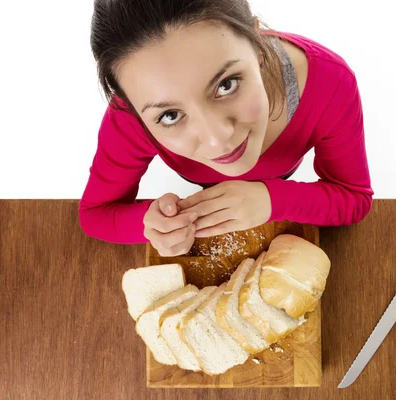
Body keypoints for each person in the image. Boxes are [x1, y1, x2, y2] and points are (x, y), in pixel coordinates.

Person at [80, 0, 374, 256]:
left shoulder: (330, 82)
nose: (217, 138)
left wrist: (274, 199)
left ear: (258, 45)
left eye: (226, 84)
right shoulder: (128, 117)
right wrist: (150, 224)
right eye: (170, 115)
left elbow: (354, 197)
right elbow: (95, 214)